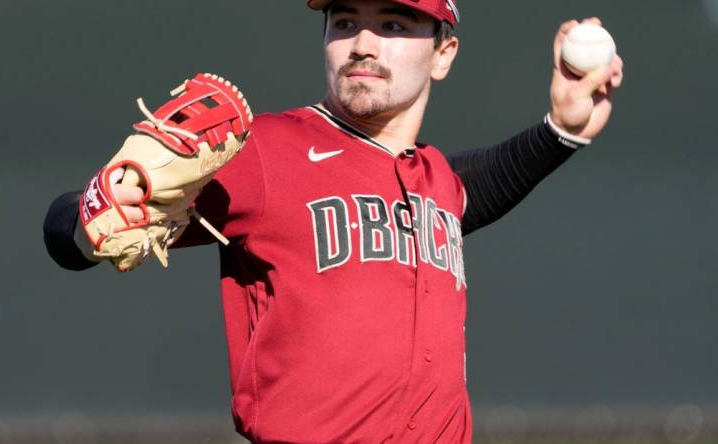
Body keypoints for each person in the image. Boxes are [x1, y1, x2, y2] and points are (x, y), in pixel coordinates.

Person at [43, 0, 624, 442]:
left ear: (444, 52)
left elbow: (476, 185)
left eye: (393, 26)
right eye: (344, 22)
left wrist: (560, 132)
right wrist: (94, 210)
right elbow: (68, 231)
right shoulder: (269, 152)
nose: (362, 44)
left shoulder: (434, 180)